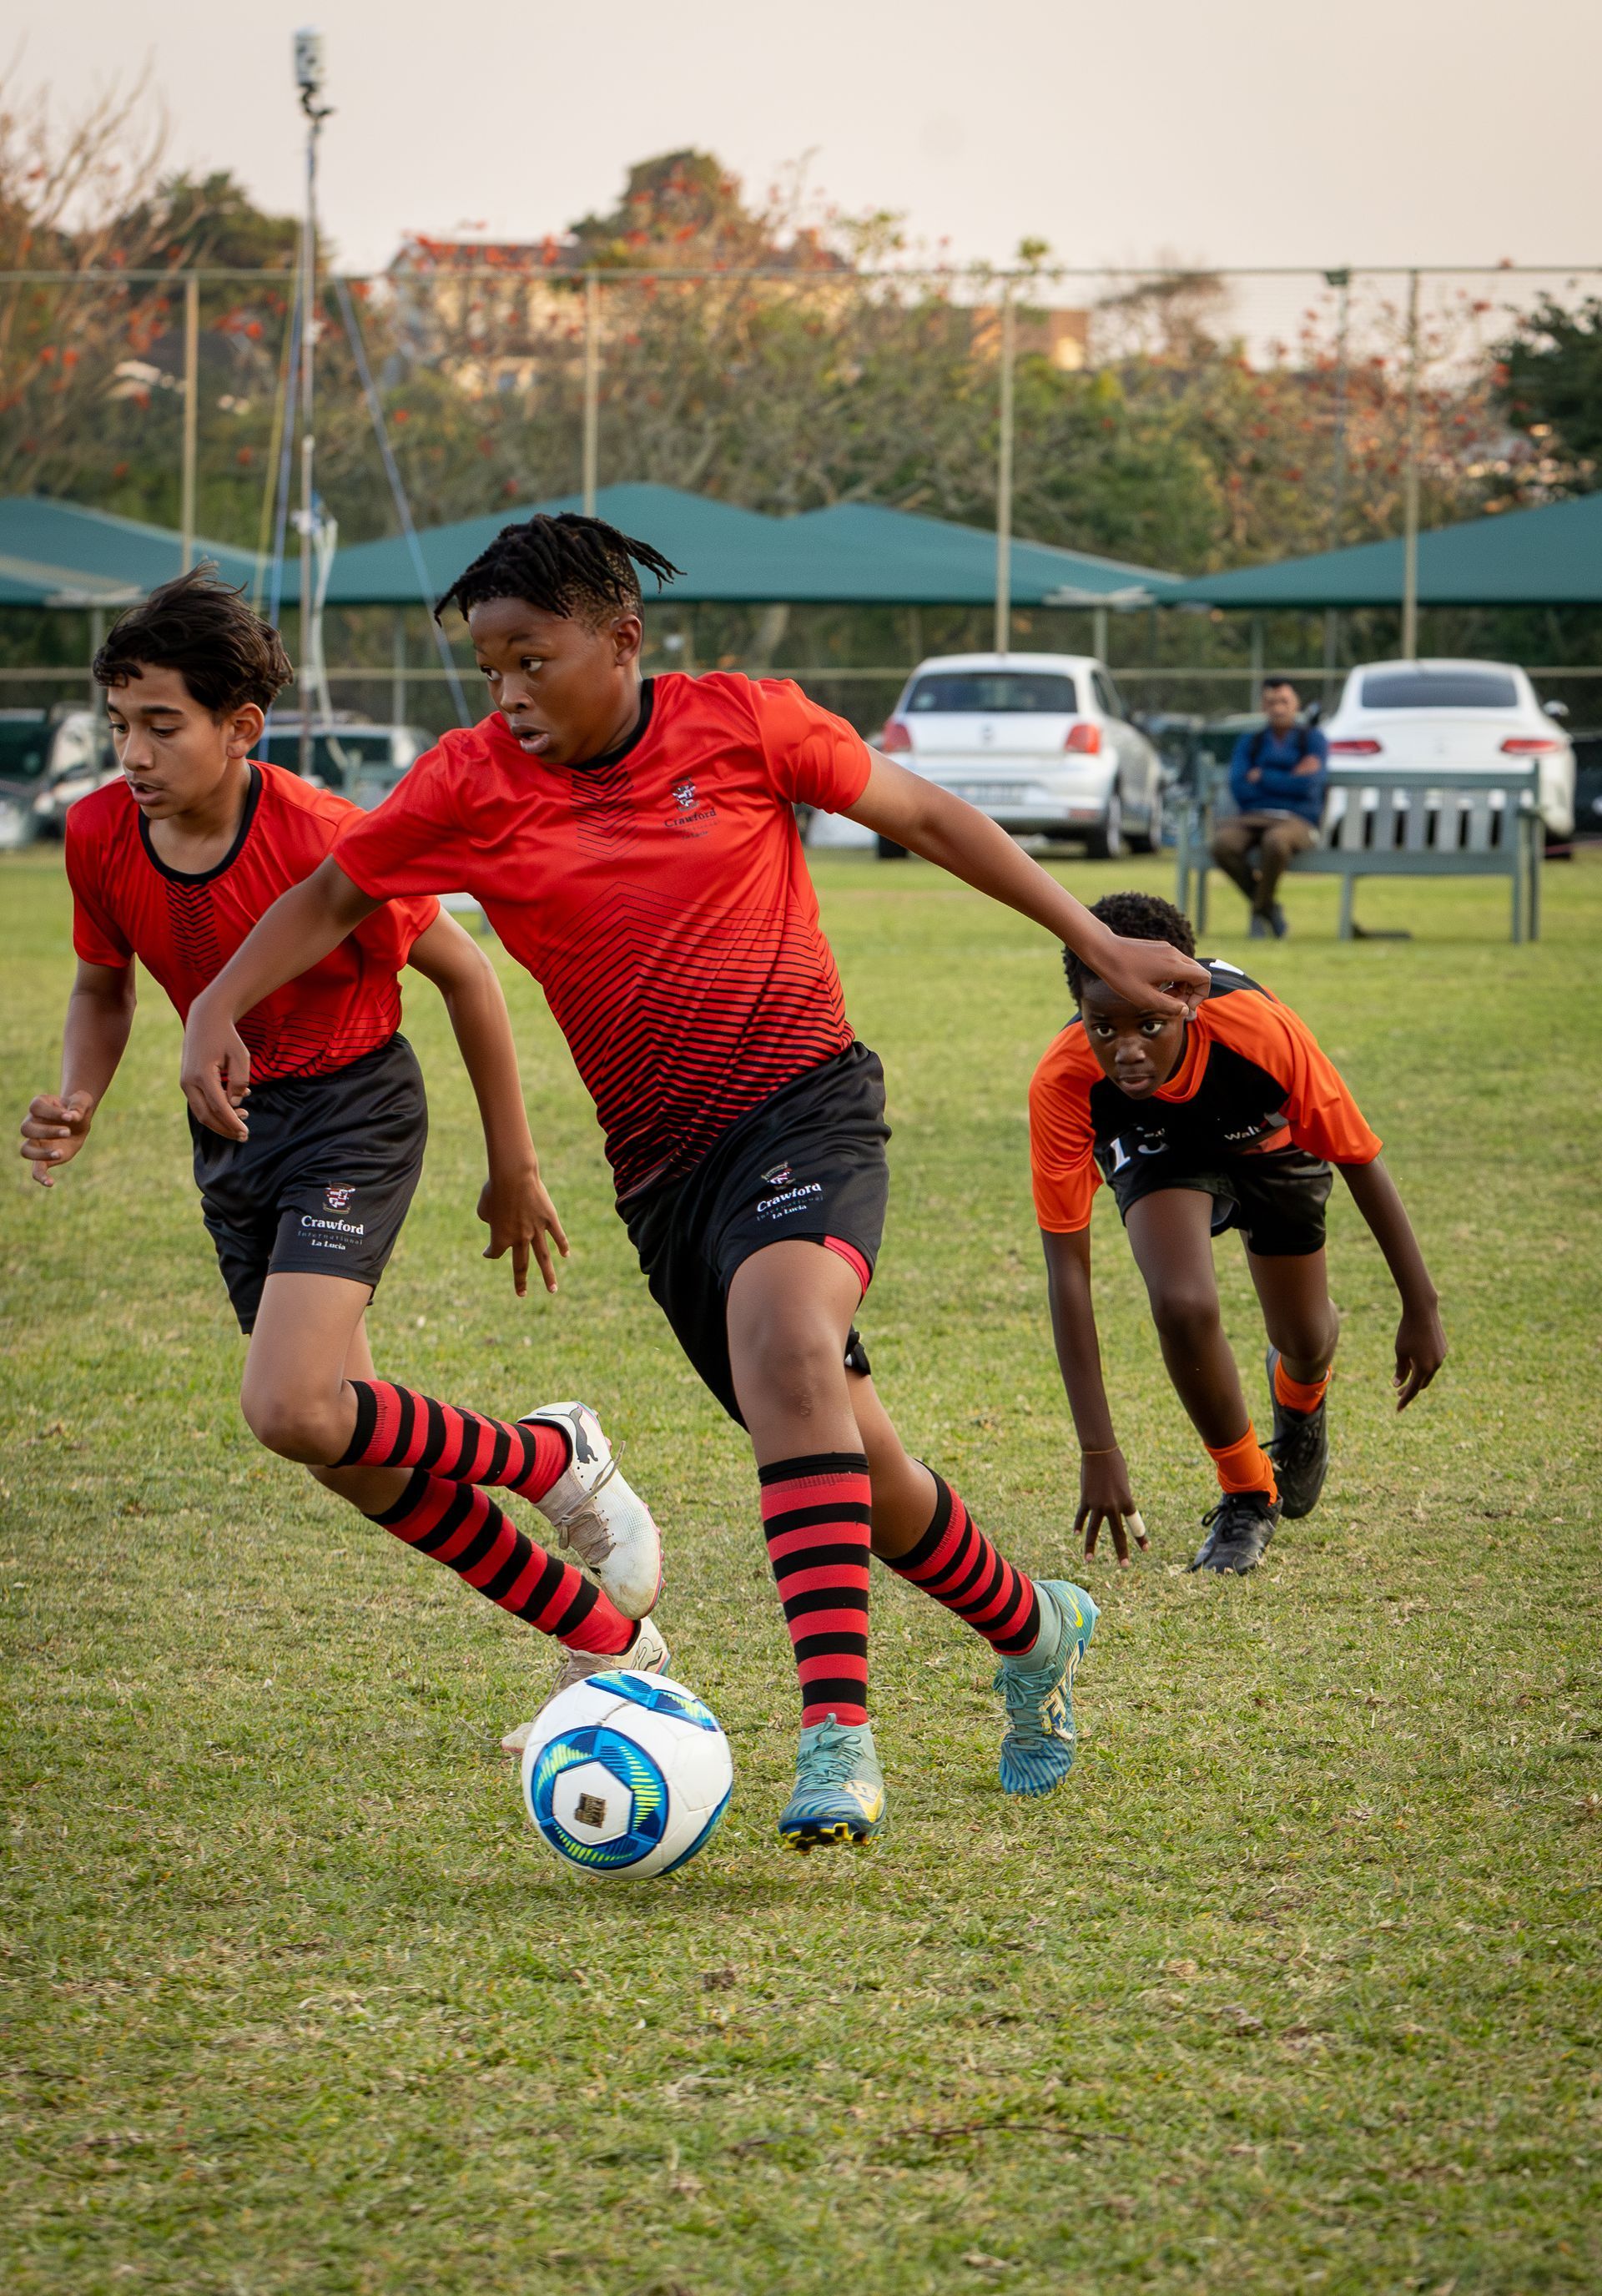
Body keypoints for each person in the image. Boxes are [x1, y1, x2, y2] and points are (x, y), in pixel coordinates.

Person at [177, 515, 1211, 1850]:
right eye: (488, 667)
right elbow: (328, 894)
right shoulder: (466, 783)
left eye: (533, 660)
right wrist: (216, 1004)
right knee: (859, 1464)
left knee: (790, 1344)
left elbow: (930, 817)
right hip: (664, 1177)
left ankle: (837, 1737)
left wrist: (1092, 941)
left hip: (806, 1103)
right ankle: (1032, 1622)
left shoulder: (744, 723)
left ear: (623, 639)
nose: (508, 695)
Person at [21, 567, 664, 1689]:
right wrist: (79, 1095)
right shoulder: (95, 835)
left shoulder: (327, 835)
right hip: (231, 1135)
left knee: (287, 1405)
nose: (133, 754)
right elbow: (102, 988)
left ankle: (551, 1456)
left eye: (162, 727)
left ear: (241, 728)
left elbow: (467, 975)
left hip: (352, 1111)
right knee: (341, 1448)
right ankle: (604, 1637)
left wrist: (513, 1162)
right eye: (119, 725)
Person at [1030, 890, 1445, 1575]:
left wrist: (1420, 1305)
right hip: (1158, 1144)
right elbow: (1067, 1269)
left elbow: (1360, 1158)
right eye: (1102, 1026)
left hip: (1269, 1141)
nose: (1125, 1051)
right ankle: (1248, 1493)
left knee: (1305, 1338)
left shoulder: (1259, 1031)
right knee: (1182, 1304)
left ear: (1187, 1000)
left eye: (1149, 1026)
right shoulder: (1066, 1080)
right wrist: (1098, 1448)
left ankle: (1300, 1400)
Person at [1211, 677, 1328, 939]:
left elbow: (1310, 785)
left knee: (1275, 842)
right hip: (1253, 816)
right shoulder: (1250, 743)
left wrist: (1263, 776)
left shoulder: (1312, 740)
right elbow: (1240, 788)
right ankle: (1269, 908)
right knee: (1223, 844)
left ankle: (1258, 911)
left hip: (1297, 820)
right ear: (1263, 706)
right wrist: (1290, 777)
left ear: (1295, 704)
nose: (1278, 708)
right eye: (1271, 702)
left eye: (1284, 701)